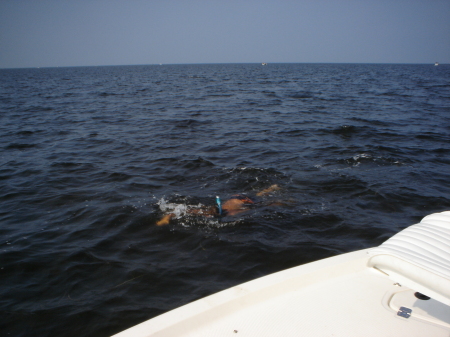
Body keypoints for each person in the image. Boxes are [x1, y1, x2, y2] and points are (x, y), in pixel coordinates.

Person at [156, 184, 281, 226]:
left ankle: (269, 189)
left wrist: (275, 204)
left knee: (260, 198)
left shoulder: (232, 213)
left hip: (243, 200)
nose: (208, 216)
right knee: (258, 195)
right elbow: (183, 210)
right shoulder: (206, 211)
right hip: (235, 198)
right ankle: (269, 189)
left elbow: (254, 208)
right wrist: (166, 217)